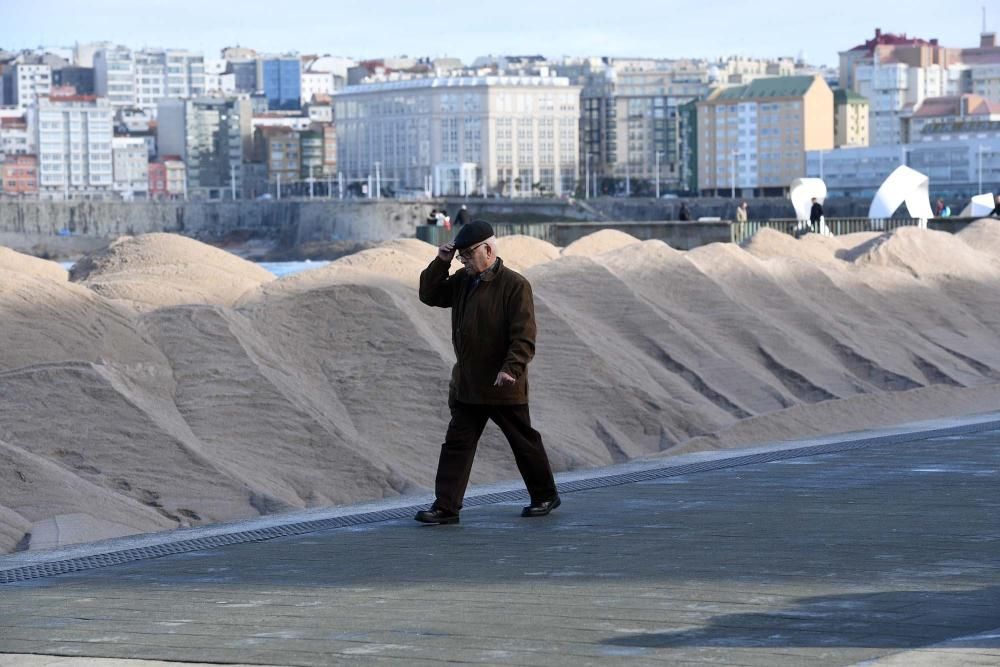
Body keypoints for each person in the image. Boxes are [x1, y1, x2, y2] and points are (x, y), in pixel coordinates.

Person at [415, 220, 560, 525]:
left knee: (523, 443)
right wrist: (441, 263)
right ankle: (446, 508)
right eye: (461, 256)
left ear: (488, 250)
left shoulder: (515, 285)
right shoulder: (463, 282)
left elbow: (524, 336)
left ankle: (545, 496)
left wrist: (511, 368)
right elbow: (429, 294)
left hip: (502, 384)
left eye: (467, 255)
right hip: (468, 384)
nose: (463, 261)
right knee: (457, 445)